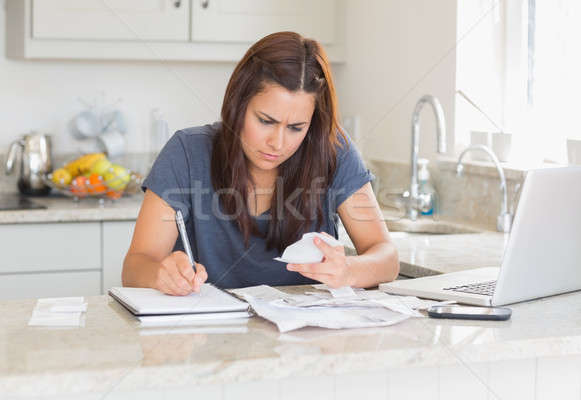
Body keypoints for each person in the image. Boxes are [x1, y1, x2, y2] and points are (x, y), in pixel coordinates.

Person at [122, 31, 399, 296]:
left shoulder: (333, 150)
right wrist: (161, 274)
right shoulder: (186, 151)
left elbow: (386, 258)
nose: (277, 143)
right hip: (208, 334)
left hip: (304, 338)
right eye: (266, 121)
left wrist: (349, 270)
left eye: (296, 127)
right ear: (237, 105)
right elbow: (136, 266)